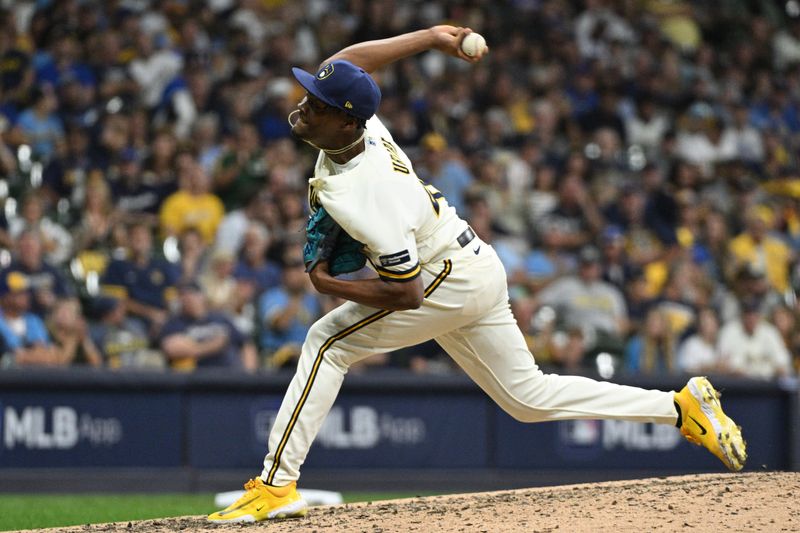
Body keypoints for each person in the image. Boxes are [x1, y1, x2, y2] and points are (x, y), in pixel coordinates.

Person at [208, 26, 746, 524]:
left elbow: (408, 292)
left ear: (347, 120)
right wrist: (429, 37)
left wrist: (330, 286)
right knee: (528, 398)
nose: (302, 106)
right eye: (308, 96)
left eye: (317, 105)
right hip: (472, 262)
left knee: (327, 342)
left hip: (442, 277)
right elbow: (345, 63)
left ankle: (277, 486)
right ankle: (680, 408)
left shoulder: (363, 194)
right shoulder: (361, 126)